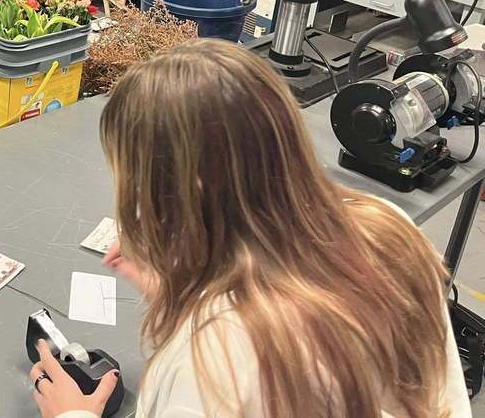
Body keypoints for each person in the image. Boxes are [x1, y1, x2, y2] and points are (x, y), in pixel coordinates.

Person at [31, 39, 471, 418]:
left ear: (183, 190)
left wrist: (73, 412)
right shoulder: (383, 223)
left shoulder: (212, 361)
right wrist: (190, 278)